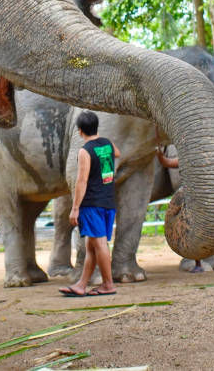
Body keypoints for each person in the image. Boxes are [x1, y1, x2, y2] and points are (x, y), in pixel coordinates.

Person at [59, 111, 121, 297]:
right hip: (108, 201)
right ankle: (81, 284)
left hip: (92, 203)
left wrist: (75, 208)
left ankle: (108, 284)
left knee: (99, 243)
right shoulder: (107, 144)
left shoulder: (85, 151)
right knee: (91, 246)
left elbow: (81, 181)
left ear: (79, 131)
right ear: (96, 127)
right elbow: (117, 153)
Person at [155, 148, 214, 272]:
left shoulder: (204, 160)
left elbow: (168, 163)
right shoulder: (188, 159)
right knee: (194, 231)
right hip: (194, 200)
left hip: (209, 200)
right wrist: (159, 154)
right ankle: (201, 264)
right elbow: (167, 163)